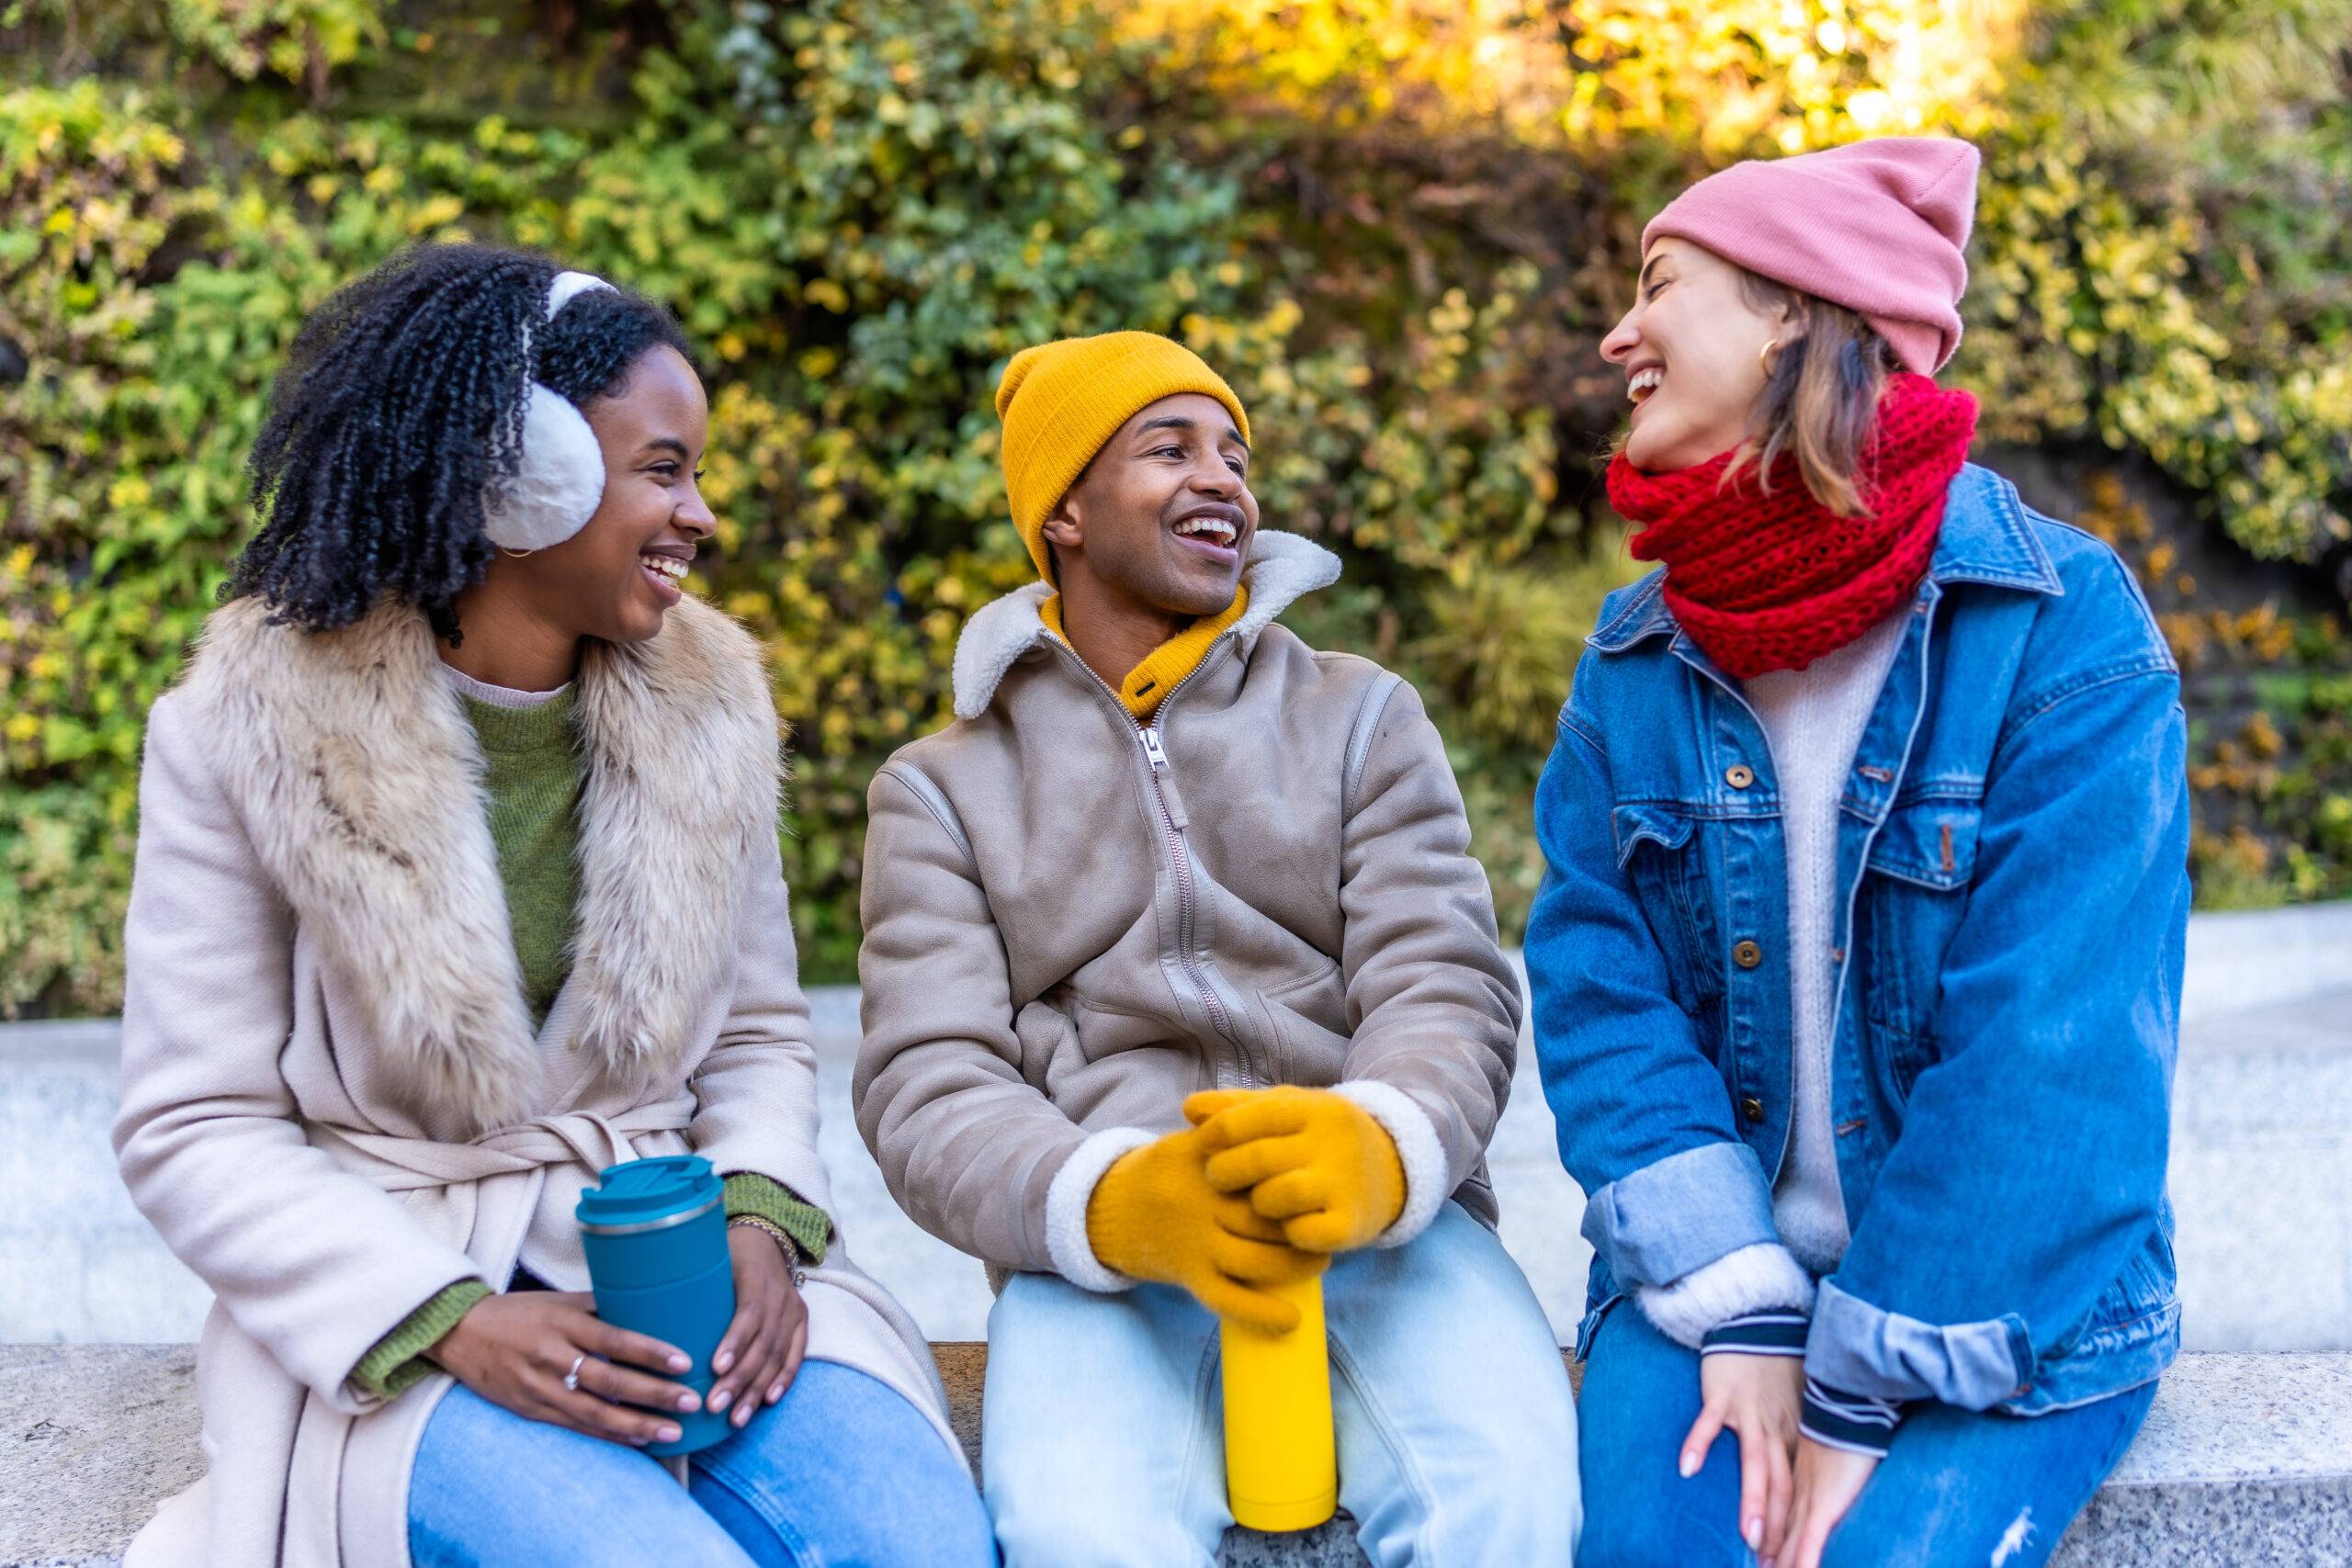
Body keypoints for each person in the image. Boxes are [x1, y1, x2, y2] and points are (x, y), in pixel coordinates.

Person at [112, 243, 993, 1568]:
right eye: (664, 469)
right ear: (521, 474)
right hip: (399, 1317)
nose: (701, 514)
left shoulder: (715, 713)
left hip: (683, 1272)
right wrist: (456, 1319)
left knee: (927, 1547)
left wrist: (760, 1217)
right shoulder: (238, 732)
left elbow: (754, 1037)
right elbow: (195, 1125)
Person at [1527, 138, 2188, 1568]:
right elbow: (1597, 986)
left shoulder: (2058, 622)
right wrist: (1740, 1297)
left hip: (2002, 1296)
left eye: (1658, 285)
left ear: (1788, 311)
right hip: (1720, 1274)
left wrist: (1859, 1378)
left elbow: (2053, 1056)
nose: (1617, 333)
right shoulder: (1637, 657)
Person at [852, 331, 1580, 1564]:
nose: (1224, 481)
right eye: (1168, 447)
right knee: (1082, 1536)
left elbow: (1442, 976)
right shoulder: (941, 788)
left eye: (1236, 456)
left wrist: (1384, 1142)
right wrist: (1117, 1204)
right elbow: (928, 1080)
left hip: (1383, 1231)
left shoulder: (1361, 715)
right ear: (1065, 511)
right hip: (1108, 1262)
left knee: (1504, 1506)